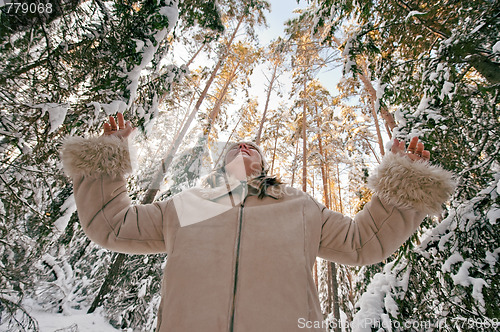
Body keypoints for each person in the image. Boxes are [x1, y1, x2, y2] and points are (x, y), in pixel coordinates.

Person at [60, 112, 455, 332]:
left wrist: (402, 185)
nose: (246, 145)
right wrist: (104, 161)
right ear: (221, 163)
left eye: (254, 147)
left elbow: (361, 242)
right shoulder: (190, 205)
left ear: (264, 165)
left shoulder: (297, 206)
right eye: (237, 145)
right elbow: (112, 226)